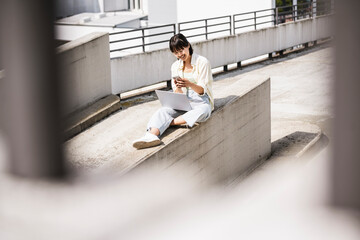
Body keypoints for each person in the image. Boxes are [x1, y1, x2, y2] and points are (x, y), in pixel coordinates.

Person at [132, 33, 214, 149]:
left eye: (181, 50)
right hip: (183, 101)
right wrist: (179, 88)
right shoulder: (175, 66)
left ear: (188, 45)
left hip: (200, 100)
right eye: (176, 53)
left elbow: (202, 91)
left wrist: (189, 84)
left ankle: (170, 122)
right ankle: (150, 136)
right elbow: (178, 94)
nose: (180, 55)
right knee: (163, 111)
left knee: (204, 110)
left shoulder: (202, 62)